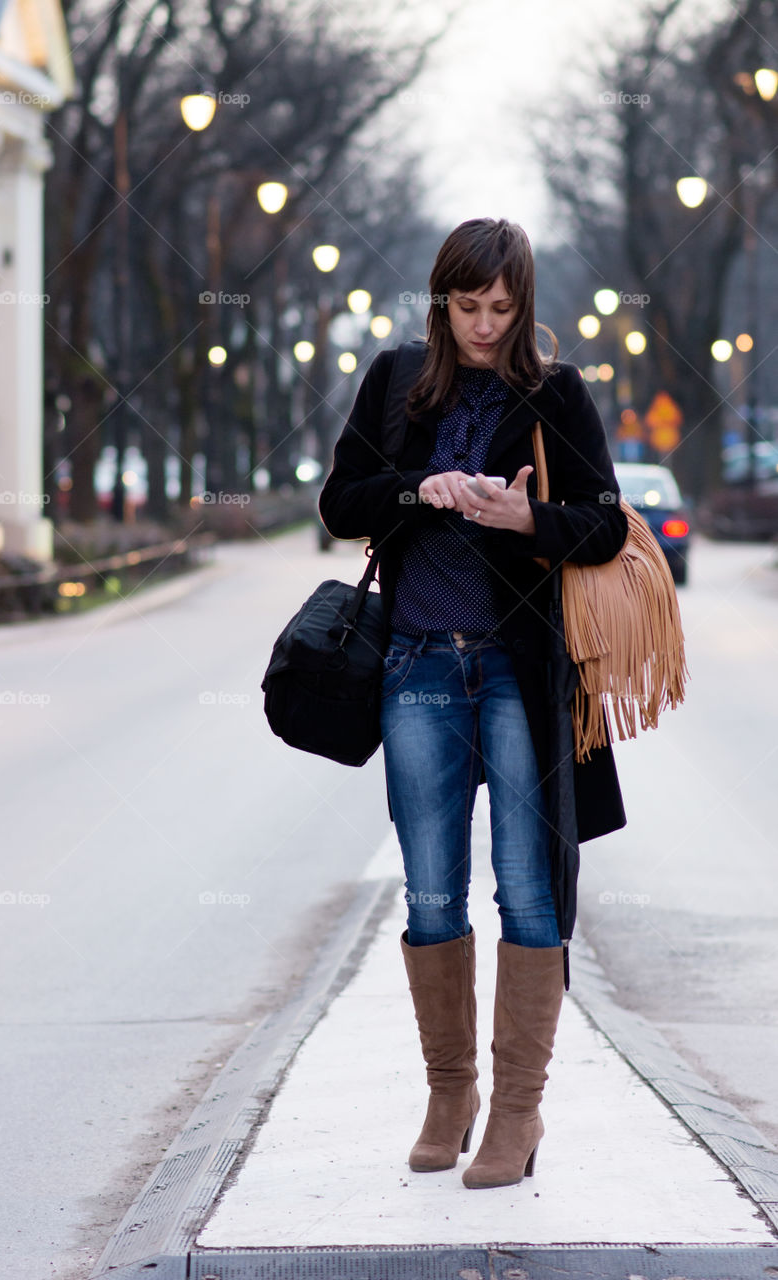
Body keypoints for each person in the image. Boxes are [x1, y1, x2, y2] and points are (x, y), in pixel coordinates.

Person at [318, 218, 628, 1189]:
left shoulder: (555, 392)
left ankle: (517, 1112)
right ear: (439, 297)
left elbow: (606, 524)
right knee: (429, 889)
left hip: (518, 670)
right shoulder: (395, 381)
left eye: (501, 308)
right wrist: (419, 487)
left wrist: (521, 515)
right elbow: (340, 502)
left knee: (528, 888)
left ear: (522, 302)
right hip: (415, 663)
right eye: (467, 306)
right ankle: (449, 1091)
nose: (484, 325)